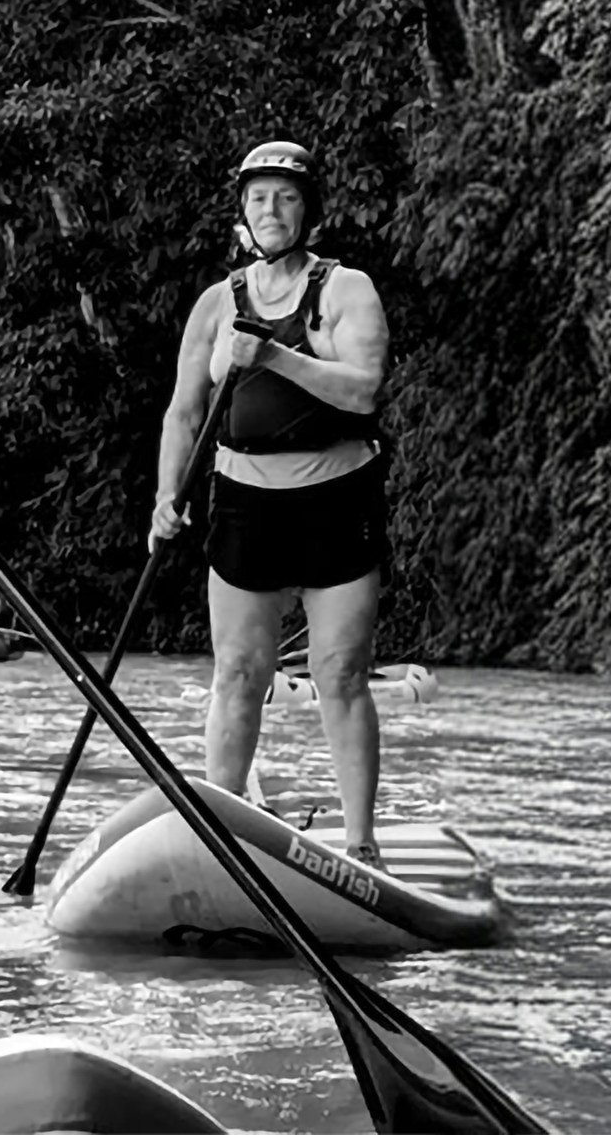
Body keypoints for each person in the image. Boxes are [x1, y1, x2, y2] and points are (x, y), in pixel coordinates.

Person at [146, 139, 392, 861]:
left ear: (308, 211)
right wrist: (167, 496)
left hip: (336, 498)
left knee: (339, 672)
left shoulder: (347, 289)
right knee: (238, 671)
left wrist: (277, 354)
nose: (271, 210)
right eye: (258, 198)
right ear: (242, 215)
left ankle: (361, 841)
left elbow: (364, 388)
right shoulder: (216, 304)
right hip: (244, 502)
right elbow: (183, 413)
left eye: (285, 197)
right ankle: (219, 835)